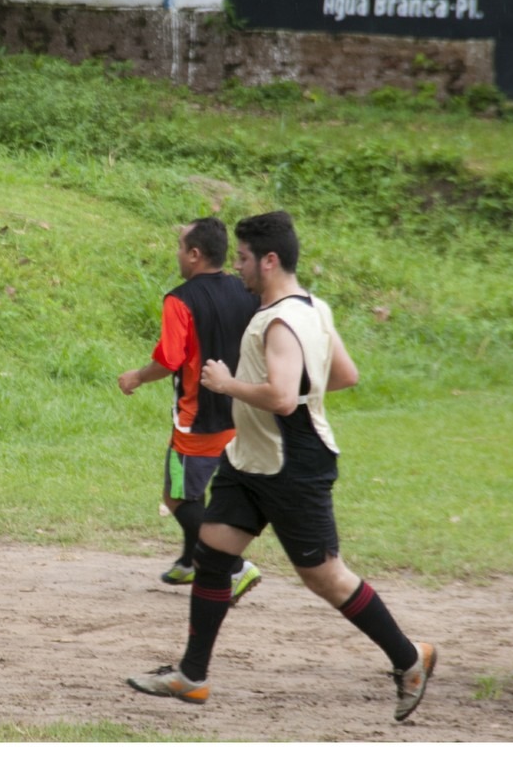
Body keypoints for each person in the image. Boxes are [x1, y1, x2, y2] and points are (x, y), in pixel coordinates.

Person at [126, 210, 437, 722]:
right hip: (251, 459)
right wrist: (289, 393)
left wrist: (227, 386)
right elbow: (345, 375)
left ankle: (410, 660)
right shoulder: (314, 307)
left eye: (245, 258)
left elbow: (282, 397)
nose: (239, 268)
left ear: (270, 260)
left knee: (326, 578)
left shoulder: (281, 321)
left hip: (292, 467)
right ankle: (192, 676)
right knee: (212, 554)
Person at [117, 217, 261, 601]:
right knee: (202, 495)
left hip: (198, 422)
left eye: (180, 247)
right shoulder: (246, 290)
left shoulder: (179, 300)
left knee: (177, 497)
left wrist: (136, 376)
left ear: (195, 255)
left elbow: (169, 361)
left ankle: (235, 567)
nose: (177, 253)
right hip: (241, 414)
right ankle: (190, 562)